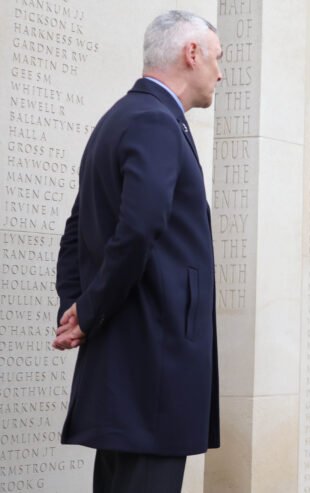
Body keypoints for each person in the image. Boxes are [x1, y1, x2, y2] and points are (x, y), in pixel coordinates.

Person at [52, 10, 222, 492]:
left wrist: (76, 305)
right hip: (156, 364)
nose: (220, 72)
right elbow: (138, 227)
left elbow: (75, 231)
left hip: (131, 364)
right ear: (192, 54)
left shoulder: (121, 117)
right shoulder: (155, 120)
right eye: (217, 57)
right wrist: (86, 311)